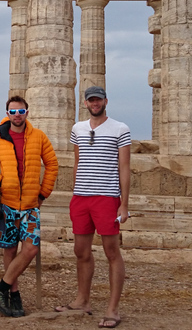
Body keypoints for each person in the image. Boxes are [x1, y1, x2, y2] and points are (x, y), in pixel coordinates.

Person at [55, 86, 131, 329]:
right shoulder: (78, 128)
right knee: (80, 250)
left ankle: (113, 309)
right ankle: (82, 301)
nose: (95, 103)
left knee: (111, 251)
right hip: (81, 197)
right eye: (91, 100)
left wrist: (124, 204)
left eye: (98, 99)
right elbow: (78, 162)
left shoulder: (120, 128)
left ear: (105, 101)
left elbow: (124, 168)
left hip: (107, 197)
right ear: (85, 103)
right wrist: (74, 193)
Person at [0, 95, 58, 317]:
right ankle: (13, 294)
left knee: (31, 248)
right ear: (7, 114)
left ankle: (1, 287)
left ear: (27, 112)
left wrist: (43, 193)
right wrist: (1, 182)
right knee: (9, 248)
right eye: (13, 112)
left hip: (31, 205)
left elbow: (52, 164)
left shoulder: (39, 136)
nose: (17, 115)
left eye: (21, 111)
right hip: (6, 204)